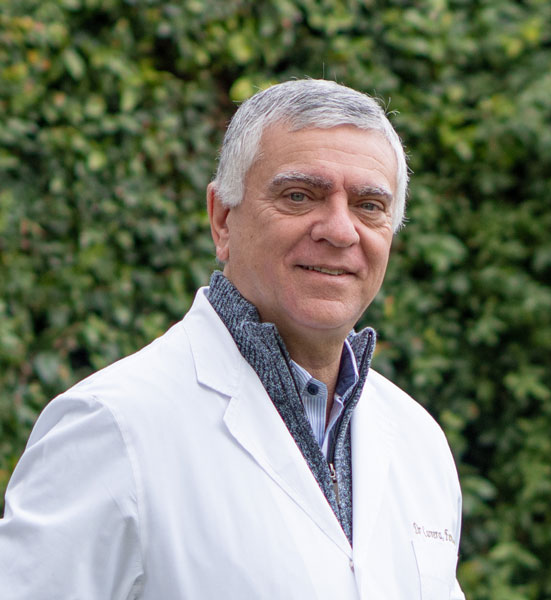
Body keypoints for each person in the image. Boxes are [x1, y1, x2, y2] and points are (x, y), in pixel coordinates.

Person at [0, 79, 465, 599]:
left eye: (369, 205)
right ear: (222, 219)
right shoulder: (112, 426)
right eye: (299, 196)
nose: (340, 230)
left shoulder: (419, 443)